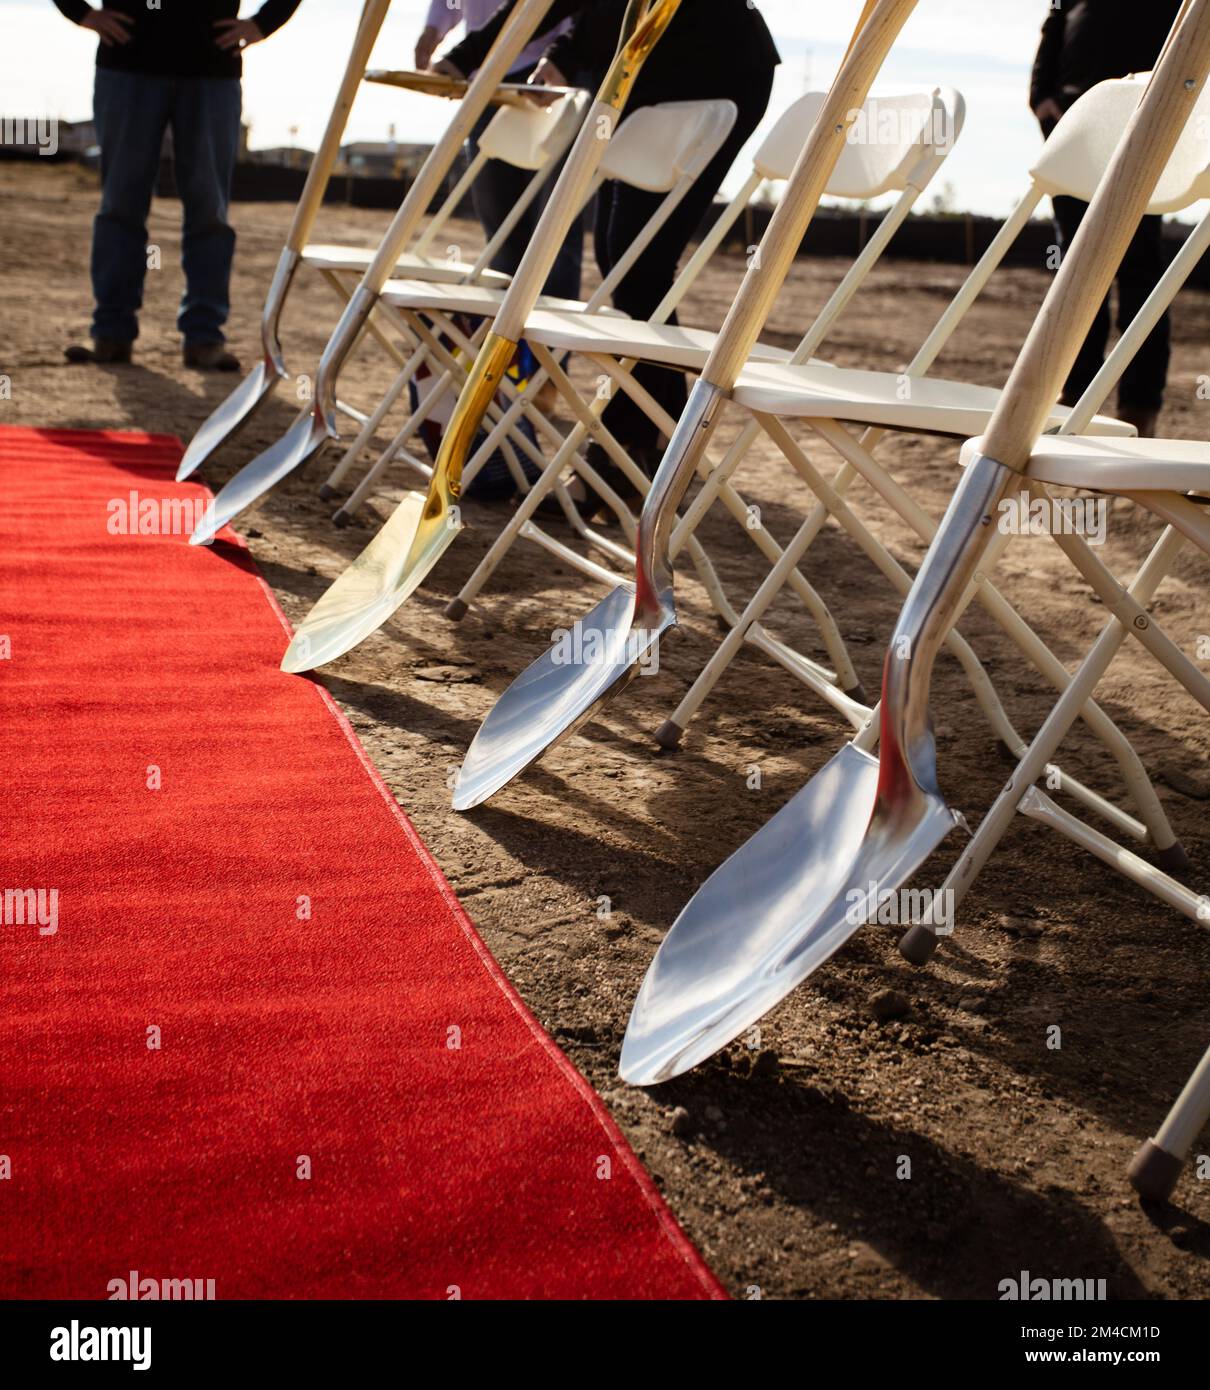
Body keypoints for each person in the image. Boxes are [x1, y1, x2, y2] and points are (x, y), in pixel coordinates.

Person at [438, 0, 780, 508]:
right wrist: (472, 58)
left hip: (718, 67)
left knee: (639, 261)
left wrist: (557, 51)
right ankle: (649, 448)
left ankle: (639, 448)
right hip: (650, 70)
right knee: (626, 261)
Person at [52, 1, 303, 370]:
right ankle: (111, 334)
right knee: (120, 206)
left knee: (209, 212)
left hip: (211, 71)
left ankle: (204, 338)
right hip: (127, 69)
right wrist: (82, 13)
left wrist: (262, 24)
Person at [1030, 0, 1183, 435]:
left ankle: (1139, 405)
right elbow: (1055, 24)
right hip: (1073, 120)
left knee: (1140, 269)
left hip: (1149, 118)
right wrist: (1042, 98)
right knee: (1075, 266)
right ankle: (1074, 392)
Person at [416, 1, 582, 301]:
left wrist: (567, 55)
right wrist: (435, 28)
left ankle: (545, 346)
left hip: (550, 76)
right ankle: (502, 336)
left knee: (553, 227)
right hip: (485, 76)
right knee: (501, 225)